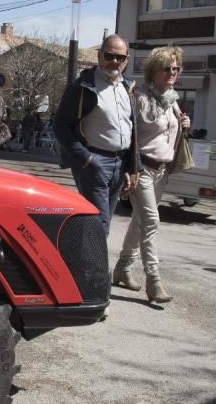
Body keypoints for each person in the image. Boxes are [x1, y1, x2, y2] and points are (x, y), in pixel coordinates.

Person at [112, 45, 191, 304]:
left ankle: (123, 268)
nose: (172, 73)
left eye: (175, 68)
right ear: (153, 71)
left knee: (140, 221)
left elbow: (169, 132)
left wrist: (184, 125)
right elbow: (128, 134)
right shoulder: (140, 97)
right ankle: (154, 280)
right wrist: (128, 169)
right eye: (166, 68)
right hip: (142, 168)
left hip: (162, 171)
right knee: (151, 221)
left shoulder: (172, 100)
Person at [53, 33, 138, 236]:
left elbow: (132, 129)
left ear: (127, 60)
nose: (114, 61)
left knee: (99, 222)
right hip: (94, 161)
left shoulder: (128, 88)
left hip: (119, 162)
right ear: (99, 56)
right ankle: (94, 268)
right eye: (109, 56)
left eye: (120, 57)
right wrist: (86, 159)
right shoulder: (82, 87)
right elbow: (60, 126)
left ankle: (80, 264)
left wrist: (132, 167)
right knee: (100, 225)